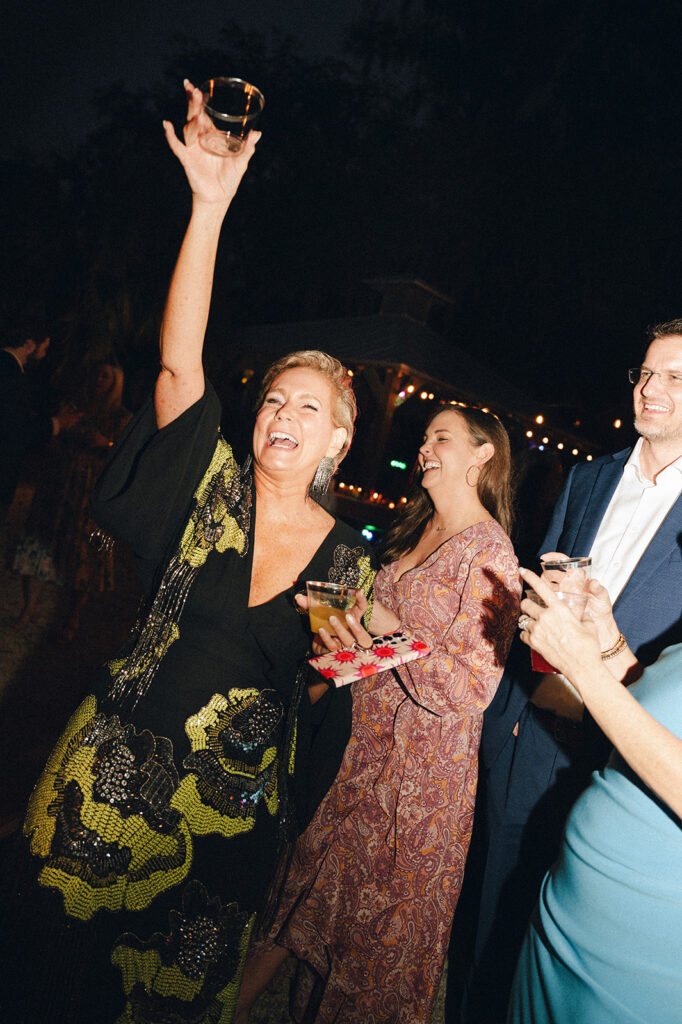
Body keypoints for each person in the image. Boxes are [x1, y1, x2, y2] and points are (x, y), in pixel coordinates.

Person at [0, 82, 375, 1024]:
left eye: (309, 409)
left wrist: (339, 674)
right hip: (108, 777)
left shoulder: (351, 563)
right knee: (42, 978)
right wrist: (209, 206)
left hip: (223, 837)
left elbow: (323, 702)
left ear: (339, 442)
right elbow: (179, 365)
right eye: (275, 401)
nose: (283, 416)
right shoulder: (209, 488)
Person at [237, 405, 521, 1024]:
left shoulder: (492, 555)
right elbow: (376, 643)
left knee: (370, 960)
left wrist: (389, 626)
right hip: (355, 754)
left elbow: (471, 690)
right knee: (293, 906)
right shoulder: (418, 529)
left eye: (441, 437)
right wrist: (338, 620)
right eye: (423, 437)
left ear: (482, 455)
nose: (425, 447)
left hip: (417, 786)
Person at [450, 321, 682, 1024]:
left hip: (629, 760)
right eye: (646, 372)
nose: (651, 388)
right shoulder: (587, 478)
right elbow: (532, 597)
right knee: (495, 909)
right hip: (533, 730)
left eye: (675, 378)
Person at [508, 567, 682, 1024]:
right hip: (564, 927)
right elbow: (664, 714)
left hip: (633, 971)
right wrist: (607, 639)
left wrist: (583, 669)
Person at [13, 361, 132, 638]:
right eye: (96, 374)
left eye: (105, 376)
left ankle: (72, 617)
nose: (98, 380)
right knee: (41, 544)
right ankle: (30, 608)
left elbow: (128, 457)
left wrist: (108, 444)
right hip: (60, 485)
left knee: (84, 556)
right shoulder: (75, 407)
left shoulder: (120, 417)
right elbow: (51, 443)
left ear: (116, 382)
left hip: (90, 492)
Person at [0, 332, 80, 518]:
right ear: (29, 344)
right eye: (44, 347)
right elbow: (15, 431)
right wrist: (57, 423)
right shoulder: (11, 376)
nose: (44, 354)